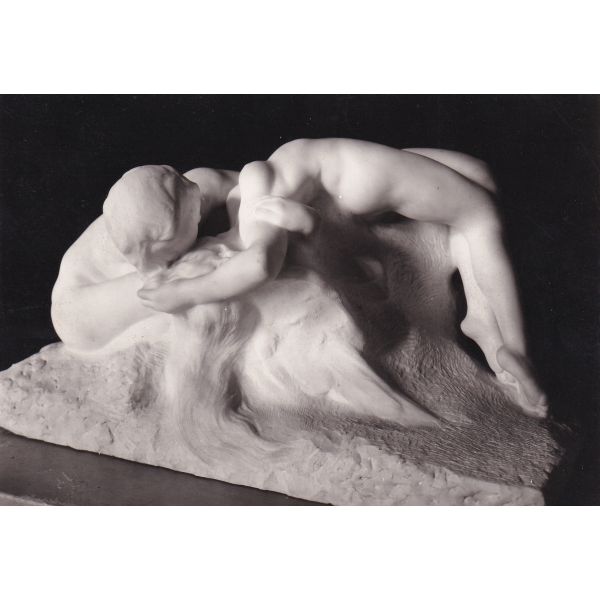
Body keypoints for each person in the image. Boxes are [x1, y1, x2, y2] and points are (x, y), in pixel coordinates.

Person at [138, 139, 546, 417]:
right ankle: (514, 346)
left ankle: (480, 315)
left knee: (479, 175)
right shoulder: (247, 188)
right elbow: (259, 263)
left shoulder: (248, 194)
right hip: (356, 177)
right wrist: (187, 291)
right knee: (479, 214)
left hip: (355, 175)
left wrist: (184, 291)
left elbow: (258, 259)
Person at [51, 164, 240, 352]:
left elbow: (251, 180)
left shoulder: (203, 184)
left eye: (172, 254)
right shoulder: (131, 239)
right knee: (192, 275)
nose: (175, 258)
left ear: (196, 210)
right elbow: (155, 283)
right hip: (74, 307)